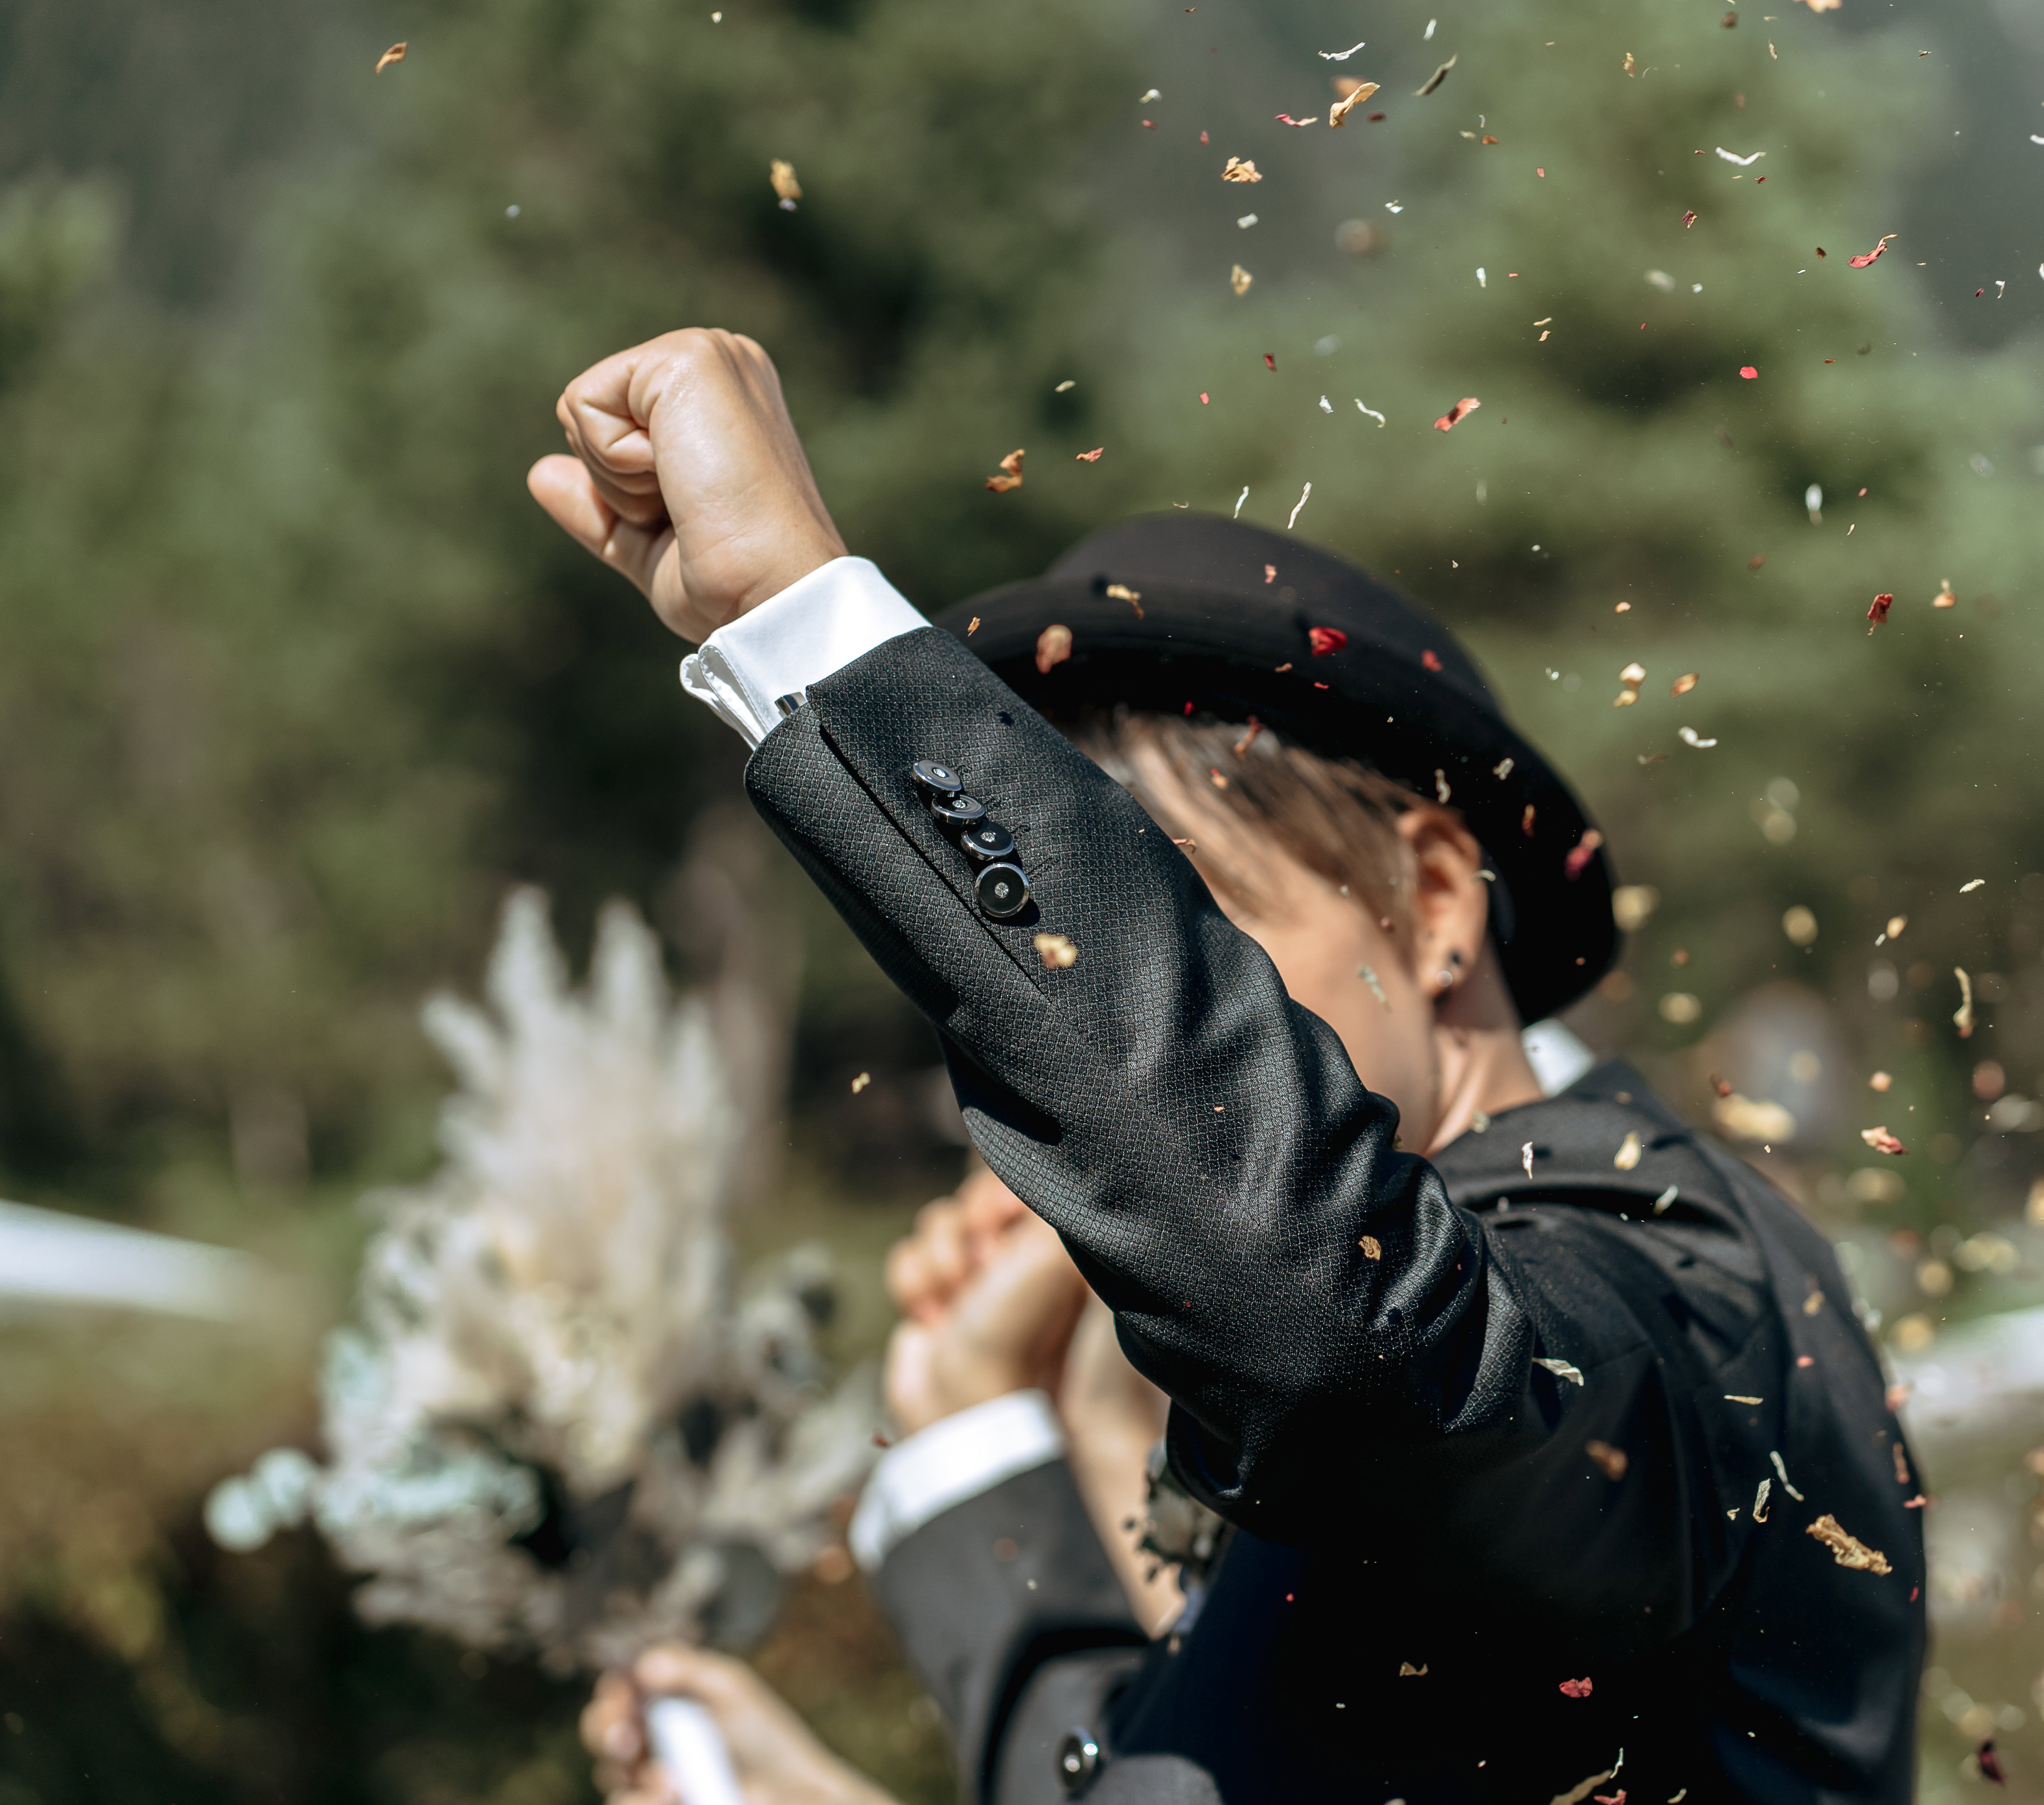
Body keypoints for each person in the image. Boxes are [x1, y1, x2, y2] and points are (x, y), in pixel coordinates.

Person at [540, 329, 1926, 1805]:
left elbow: (1349, 1336)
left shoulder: (1666, 1274)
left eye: (1186, 922)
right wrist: (999, 1437)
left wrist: (795, 615)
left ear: (1435, 902)